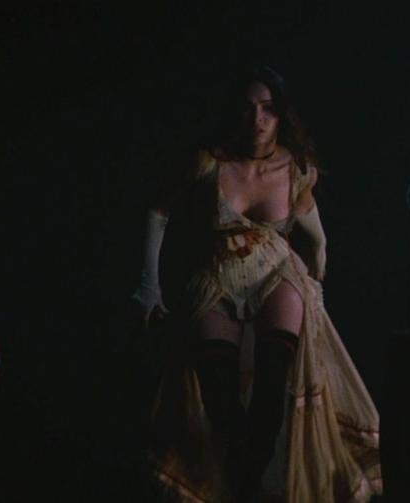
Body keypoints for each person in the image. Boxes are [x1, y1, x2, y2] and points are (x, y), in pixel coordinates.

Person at [132, 65, 382, 503]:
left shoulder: (295, 167)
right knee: (221, 402)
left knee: (271, 392)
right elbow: (158, 210)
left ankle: (249, 486)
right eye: (249, 109)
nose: (258, 119)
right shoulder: (210, 162)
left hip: (275, 272)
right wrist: (149, 285)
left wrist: (318, 268)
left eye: (268, 109)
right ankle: (243, 484)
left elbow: (312, 226)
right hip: (219, 275)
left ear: (281, 114)